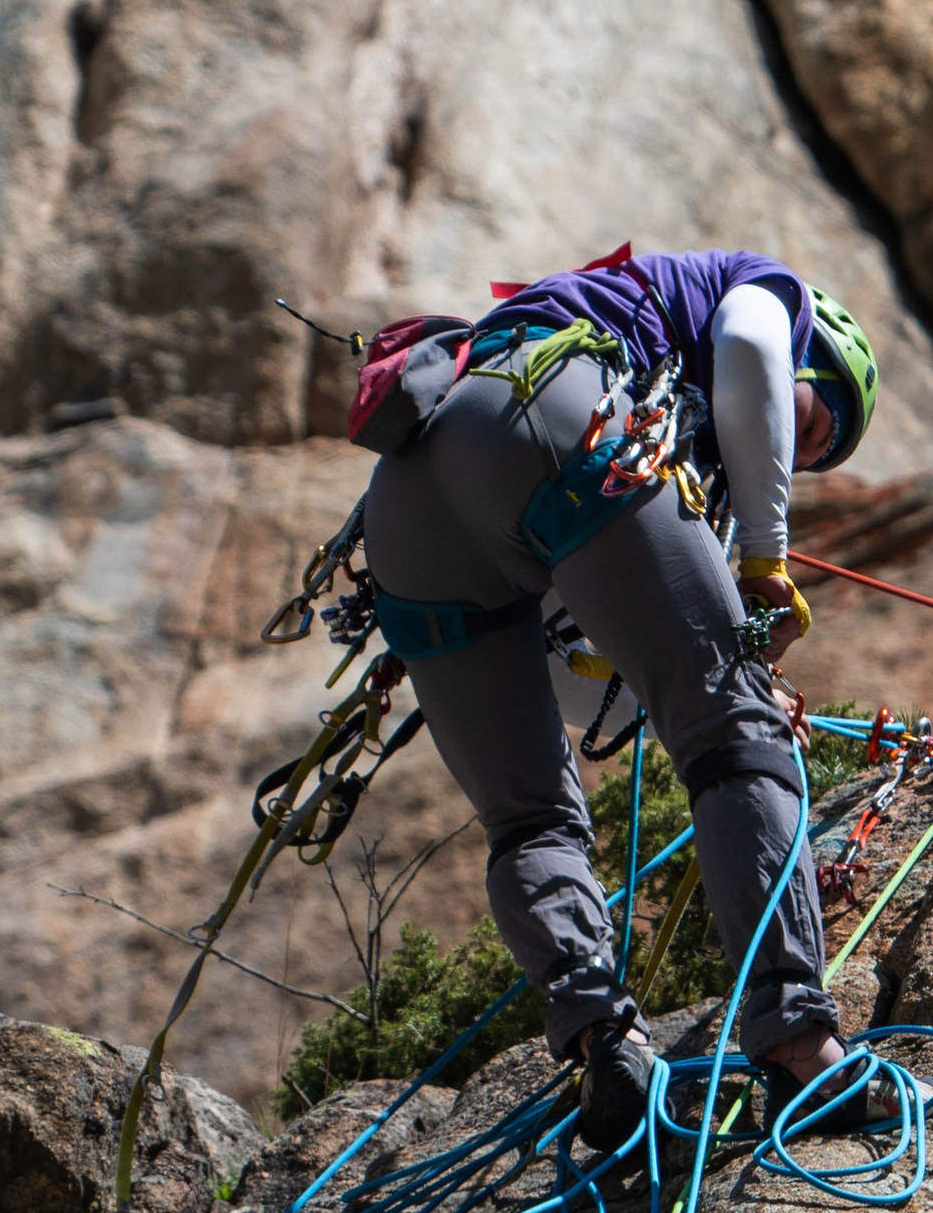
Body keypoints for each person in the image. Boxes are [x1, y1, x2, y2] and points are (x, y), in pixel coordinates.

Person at [360, 247, 882, 1149]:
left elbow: (574, 666)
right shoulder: (760, 290)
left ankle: (608, 1040)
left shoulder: (651, 395)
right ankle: (801, 1048)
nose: (802, 452)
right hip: (558, 416)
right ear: (817, 356)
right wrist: (763, 554)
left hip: (409, 506)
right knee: (735, 730)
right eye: (816, 424)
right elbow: (753, 346)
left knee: (528, 819)